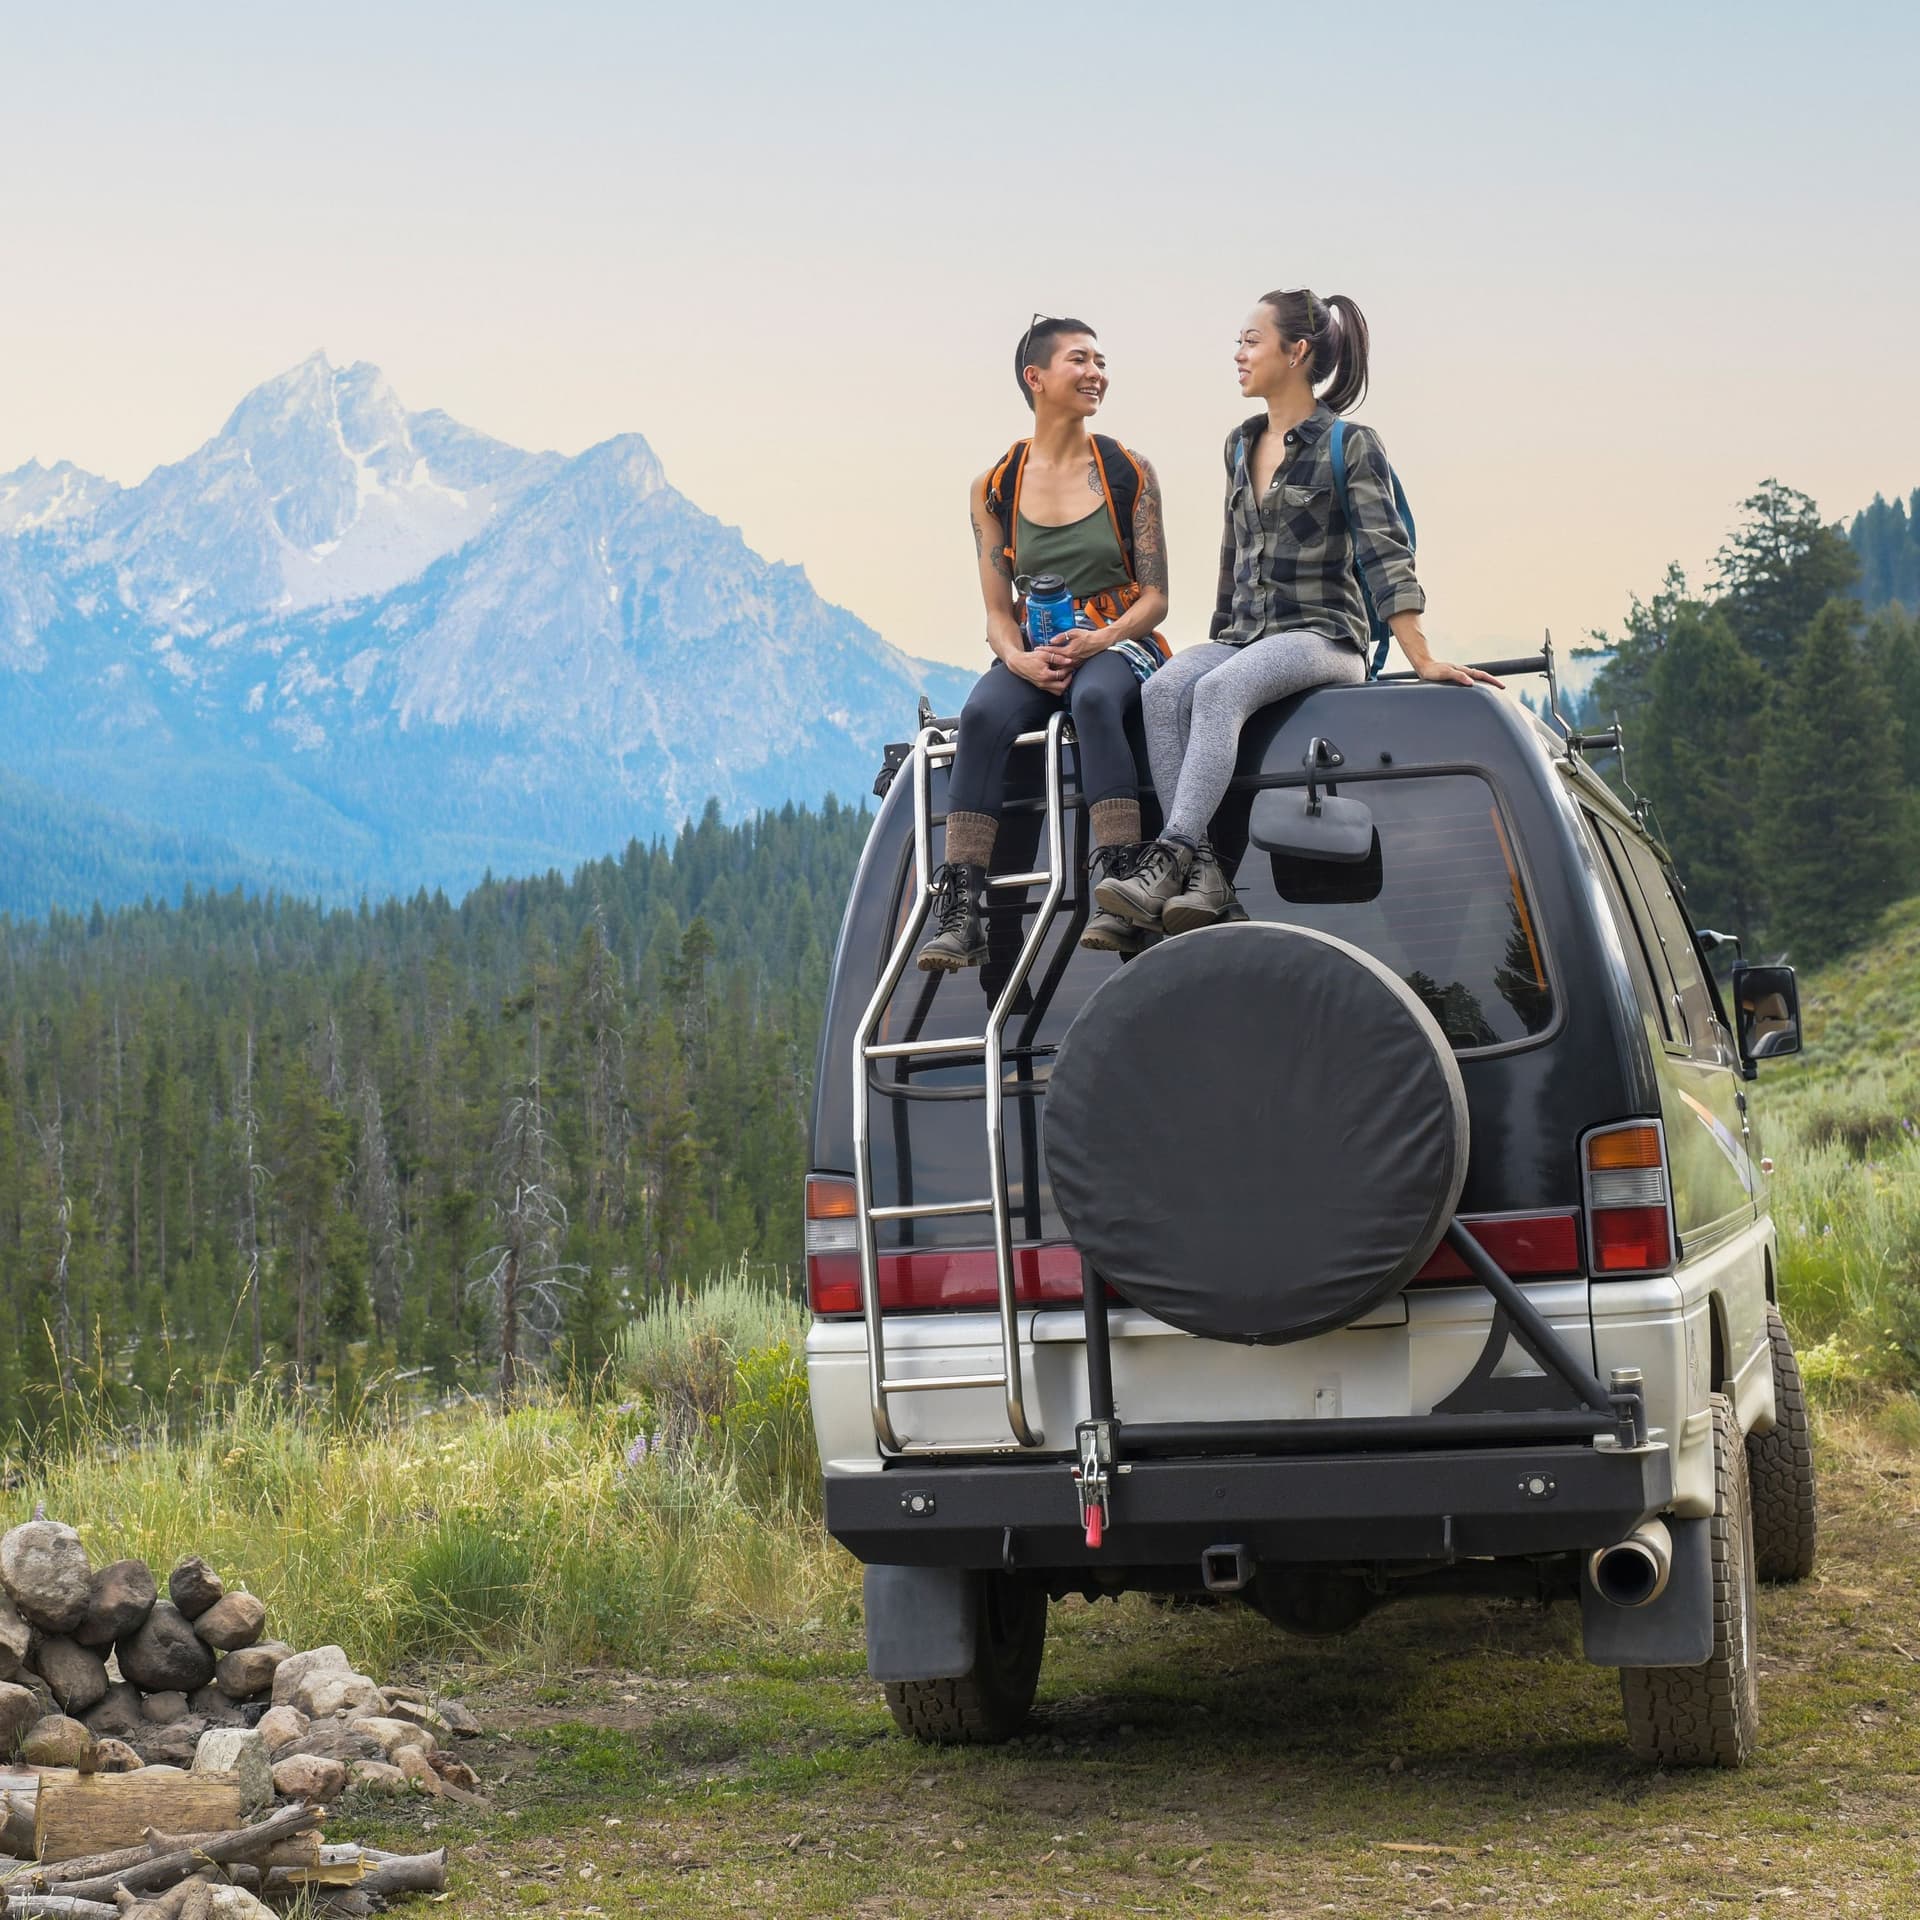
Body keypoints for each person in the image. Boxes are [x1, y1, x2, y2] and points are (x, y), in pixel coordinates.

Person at [1096, 289, 1501, 936]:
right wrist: (1216, 639)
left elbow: (1385, 555)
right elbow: (1233, 559)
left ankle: (1168, 854)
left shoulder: (1350, 445)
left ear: (1298, 351)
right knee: (1166, 686)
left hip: (1326, 641)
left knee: (1221, 689)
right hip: (1246, 638)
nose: (1238, 353)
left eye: (1251, 340)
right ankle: (1204, 879)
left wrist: (1421, 656)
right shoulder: (1239, 445)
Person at [916, 316, 1171, 971]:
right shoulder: (995, 486)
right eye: (1079, 361)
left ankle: (1118, 886)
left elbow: (1155, 599)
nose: (1097, 374)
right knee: (979, 714)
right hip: (1034, 652)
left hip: (1118, 643)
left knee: (1095, 704)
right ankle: (962, 911)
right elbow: (998, 614)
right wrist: (1018, 657)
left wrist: (1100, 640)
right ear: (1036, 378)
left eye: (1100, 361)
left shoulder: (1127, 472)